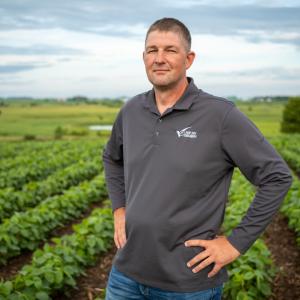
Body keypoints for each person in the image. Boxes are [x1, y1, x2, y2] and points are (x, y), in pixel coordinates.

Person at [102, 17, 293, 300]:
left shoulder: (220, 116)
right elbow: (112, 158)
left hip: (187, 283)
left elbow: (277, 177)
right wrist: (120, 208)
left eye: (170, 50)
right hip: (125, 277)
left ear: (189, 59)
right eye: (152, 50)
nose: (160, 59)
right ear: (143, 58)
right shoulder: (131, 111)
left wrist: (235, 243)